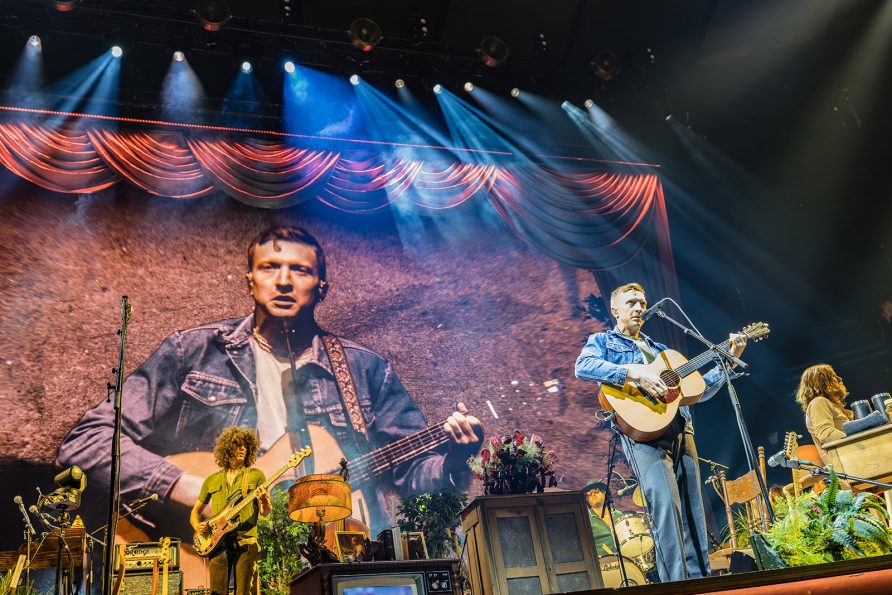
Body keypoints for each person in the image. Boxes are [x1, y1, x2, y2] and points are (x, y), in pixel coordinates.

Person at [57, 225, 483, 549]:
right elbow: (88, 441)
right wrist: (189, 487)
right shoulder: (192, 351)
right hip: (205, 553)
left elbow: (413, 480)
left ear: (322, 288)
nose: (283, 281)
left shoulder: (365, 370)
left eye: (299, 270)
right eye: (270, 268)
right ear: (250, 280)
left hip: (324, 554)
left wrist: (455, 458)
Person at [575, 282, 747, 582]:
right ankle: (677, 586)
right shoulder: (603, 341)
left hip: (681, 428)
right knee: (667, 511)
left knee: (694, 513)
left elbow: (698, 390)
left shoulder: (662, 352)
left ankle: (702, 583)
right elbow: (583, 366)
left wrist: (729, 360)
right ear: (615, 309)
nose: (639, 307)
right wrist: (633, 371)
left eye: (642, 302)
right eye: (631, 302)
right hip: (642, 434)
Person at [190, 427, 271, 595]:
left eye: (245, 446)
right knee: (217, 592)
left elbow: (265, 512)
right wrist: (197, 526)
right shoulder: (212, 480)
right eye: (237, 445)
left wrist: (264, 500)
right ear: (227, 448)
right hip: (218, 543)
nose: (242, 448)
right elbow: (195, 512)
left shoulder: (256, 475)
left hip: (246, 541)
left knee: (245, 592)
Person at [794, 364, 853, 461]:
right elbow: (826, 433)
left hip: (848, 458)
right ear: (822, 382)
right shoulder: (818, 402)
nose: (839, 378)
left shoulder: (826, 404)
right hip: (843, 462)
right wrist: (857, 441)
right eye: (833, 375)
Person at [582, 480, 622, 557]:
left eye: (596, 491)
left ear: (604, 494)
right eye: (589, 494)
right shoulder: (585, 519)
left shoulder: (619, 514)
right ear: (587, 500)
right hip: (602, 564)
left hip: (625, 560)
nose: (593, 494)